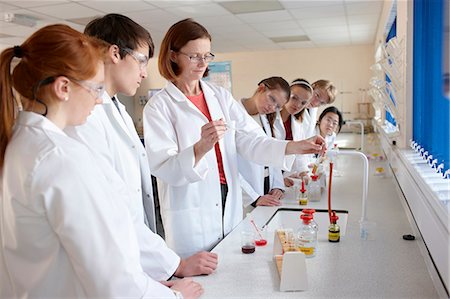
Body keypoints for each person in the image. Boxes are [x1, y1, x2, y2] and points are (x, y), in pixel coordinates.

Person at [0, 24, 201, 298]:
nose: (98, 101)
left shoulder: (20, 144)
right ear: (63, 88)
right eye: (95, 88)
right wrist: (176, 296)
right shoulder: (61, 159)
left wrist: (147, 284)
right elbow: (113, 283)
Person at [143, 18, 326, 257]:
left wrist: (294, 146)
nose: (202, 63)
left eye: (207, 56)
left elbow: (250, 140)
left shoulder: (220, 97)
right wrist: (200, 147)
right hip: (192, 203)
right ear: (174, 55)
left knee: (228, 265)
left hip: (228, 197)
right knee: (198, 279)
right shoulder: (159, 107)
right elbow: (163, 167)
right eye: (194, 56)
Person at [65, 14, 217, 279]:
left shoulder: (117, 111)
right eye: (142, 60)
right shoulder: (86, 117)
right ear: (115, 53)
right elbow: (114, 210)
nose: (145, 72)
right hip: (108, 267)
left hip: (130, 262)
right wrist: (176, 266)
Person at [238, 77, 290, 207]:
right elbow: (227, 166)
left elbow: (271, 152)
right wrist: (253, 198)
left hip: (265, 189)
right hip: (245, 195)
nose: (272, 107)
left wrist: (278, 185)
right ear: (261, 88)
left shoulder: (265, 120)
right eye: (272, 99)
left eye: (277, 106)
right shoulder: (233, 115)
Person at [277, 78, 314, 187]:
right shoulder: (270, 120)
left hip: (284, 175)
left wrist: (303, 172)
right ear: (286, 94)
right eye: (294, 98)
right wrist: (277, 180)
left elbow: (299, 152)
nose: (297, 105)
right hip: (268, 178)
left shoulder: (298, 124)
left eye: (303, 103)